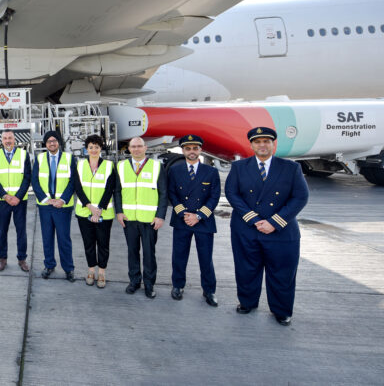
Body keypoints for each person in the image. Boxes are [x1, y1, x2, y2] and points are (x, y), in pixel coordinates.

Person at [225, 127, 309, 326]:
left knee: (282, 273)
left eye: (266, 141)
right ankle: (247, 302)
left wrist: (274, 222)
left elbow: (300, 197)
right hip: (247, 228)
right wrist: (253, 219)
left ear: (273, 144)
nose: (262, 145)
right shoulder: (239, 167)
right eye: (258, 142)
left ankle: (281, 310)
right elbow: (232, 193)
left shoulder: (291, 168)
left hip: (281, 230)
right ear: (252, 145)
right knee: (246, 269)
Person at [167, 135, 221, 306]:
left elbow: (214, 196)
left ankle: (209, 290)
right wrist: (184, 213)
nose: (192, 151)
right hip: (182, 220)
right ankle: (178, 286)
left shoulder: (211, 172)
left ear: (200, 150)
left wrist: (198, 216)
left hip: (203, 221)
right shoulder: (175, 170)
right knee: (179, 256)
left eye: (195, 148)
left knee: (206, 258)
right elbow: (172, 193)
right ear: (183, 150)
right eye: (188, 148)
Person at [115, 137, 167, 299]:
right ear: (129, 149)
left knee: (149, 253)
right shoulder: (121, 166)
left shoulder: (156, 166)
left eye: (139, 146)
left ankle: (149, 285)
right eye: (133, 146)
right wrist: (119, 211)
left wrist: (160, 216)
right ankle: (134, 281)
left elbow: (163, 193)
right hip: (129, 218)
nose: (136, 149)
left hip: (149, 219)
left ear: (145, 148)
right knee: (132, 252)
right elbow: (117, 191)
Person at [31, 130, 76, 282]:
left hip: (63, 207)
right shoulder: (40, 158)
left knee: (64, 238)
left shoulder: (69, 158)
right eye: (49, 141)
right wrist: (45, 199)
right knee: (47, 238)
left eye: (54, 141)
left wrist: (62, 199)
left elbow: (73, 181)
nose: (52, 143)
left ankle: (68, 269)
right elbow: (35, 181)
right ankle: (49, 265)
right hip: (45, 206)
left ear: (59, 142)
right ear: (45, 144)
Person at [73, 134, 116, 289]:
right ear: (86, 149)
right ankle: (91, 270)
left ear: (101, 148)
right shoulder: (80, 165)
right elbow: (77, 187)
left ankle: (102, 272)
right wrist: (89, 206)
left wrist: (99, 209)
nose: (93, 150)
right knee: (89, 243)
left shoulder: (109, 165)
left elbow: (110, 188)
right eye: (90, 147)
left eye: (96, 147)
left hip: (104, 213)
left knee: (103, 244)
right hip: (84, 212)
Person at [0, 130, 32, 272]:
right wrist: (5, 196)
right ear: (1, 140)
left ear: (14, 140)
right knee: (2, 230)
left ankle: (22, 259)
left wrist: (18, 196)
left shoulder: (23, 154)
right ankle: (2, 258)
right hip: (3, 201)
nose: (8, 141)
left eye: (10, 138)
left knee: (21, 231)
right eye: (5, 138)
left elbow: (27, 177)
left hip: (20, 201)